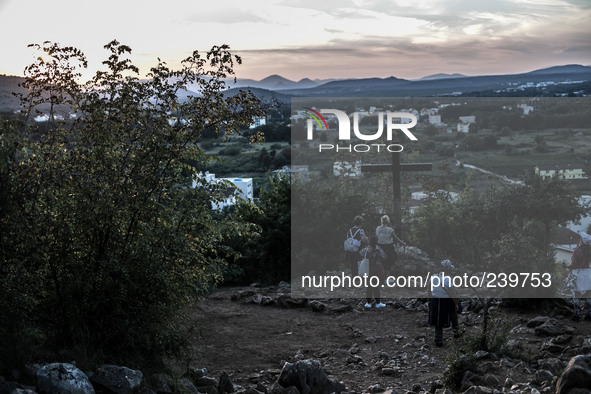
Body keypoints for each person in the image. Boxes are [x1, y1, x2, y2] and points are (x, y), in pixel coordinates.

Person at [428, 259, 460, 347]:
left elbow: (429, 290)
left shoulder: (433, 277)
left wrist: (429, 300)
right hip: (446, 301)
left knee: (438, 321)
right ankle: (457, 332)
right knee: (454, 316)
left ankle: (438, 340)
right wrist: (456, 303)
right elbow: (452, 293)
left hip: (435, 300)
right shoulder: (448, 280)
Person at [568, 232, 591, 321]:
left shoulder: (576, 251)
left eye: (580, 239)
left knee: (576, 294)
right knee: (588, 295)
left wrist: (565, 265)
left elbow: (573, 265)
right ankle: (589, 314)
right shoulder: (589, 252)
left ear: (581, 241)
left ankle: (576, 315)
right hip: (588, 274)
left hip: (578, 275)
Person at [359, 235, 386, 308]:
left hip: (367, 269)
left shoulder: (365, 249)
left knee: (368, 286)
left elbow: (360, 253)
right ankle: (378, 303)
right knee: (376, 286)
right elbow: (384, 257)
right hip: (377, 269)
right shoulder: (378, 249)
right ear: (377, 241)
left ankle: (368, 303)